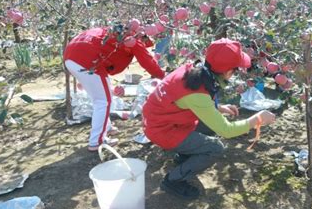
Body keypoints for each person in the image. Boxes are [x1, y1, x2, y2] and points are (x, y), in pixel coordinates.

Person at [142, 38, 276, 200]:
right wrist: (257, 119)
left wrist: (219, 108)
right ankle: (173, 180)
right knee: (215, 148)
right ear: (227, 72)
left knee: (210, 124)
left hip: (161, 120)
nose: (235, 73)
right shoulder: (197, 91)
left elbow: (187, 101)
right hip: (162, 130)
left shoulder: (194, 70)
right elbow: (226, 131)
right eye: (235, 70)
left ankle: (185, 154)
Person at [64, 25, 165, 151]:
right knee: (103, 101)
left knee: (100, 99)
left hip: (72, 56)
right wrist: (164, 77)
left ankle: (106, 128)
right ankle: (97, 141)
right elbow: (147, 62)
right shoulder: (132, 39)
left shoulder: (115, 30)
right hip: (87, 60)